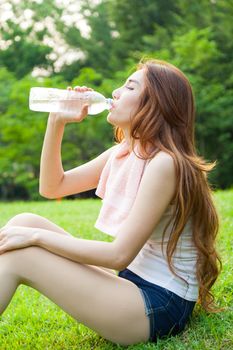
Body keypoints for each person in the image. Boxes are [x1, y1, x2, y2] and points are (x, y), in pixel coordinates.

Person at [0, 59, 222, 346]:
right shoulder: (126, 152)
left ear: (155, 104)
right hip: (131, 282)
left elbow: (118, 255)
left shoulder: (165, 163)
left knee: (22, 252)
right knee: (22, 221)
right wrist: (56, 121)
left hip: (159, 305)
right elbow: (52, 186)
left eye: (130, 87)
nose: (116, 92)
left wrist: (35, 238)